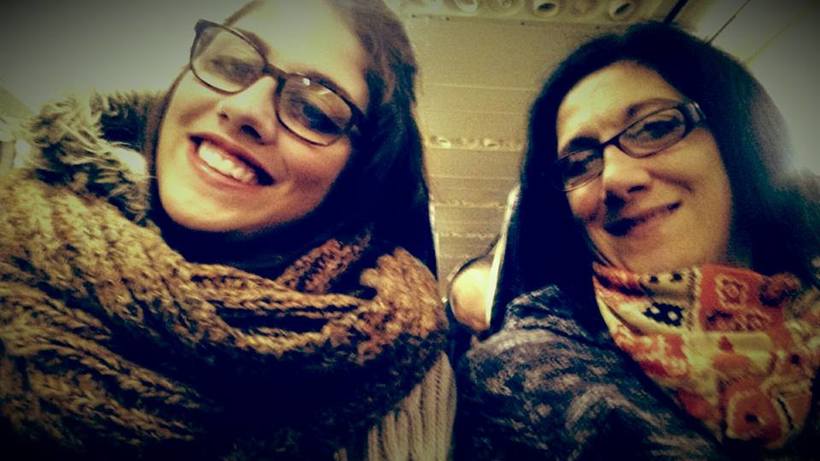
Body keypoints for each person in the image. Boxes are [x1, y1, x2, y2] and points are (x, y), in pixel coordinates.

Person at [0, 1, 455, 459]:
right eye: (232, 64)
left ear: (360, 174)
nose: (244, 108)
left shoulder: (397, 359)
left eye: (312, 109)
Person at [456, 22, 819, 460]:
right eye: (579, 163)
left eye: (656, 128)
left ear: (738, 137)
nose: (616, 178)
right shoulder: (523, 381)